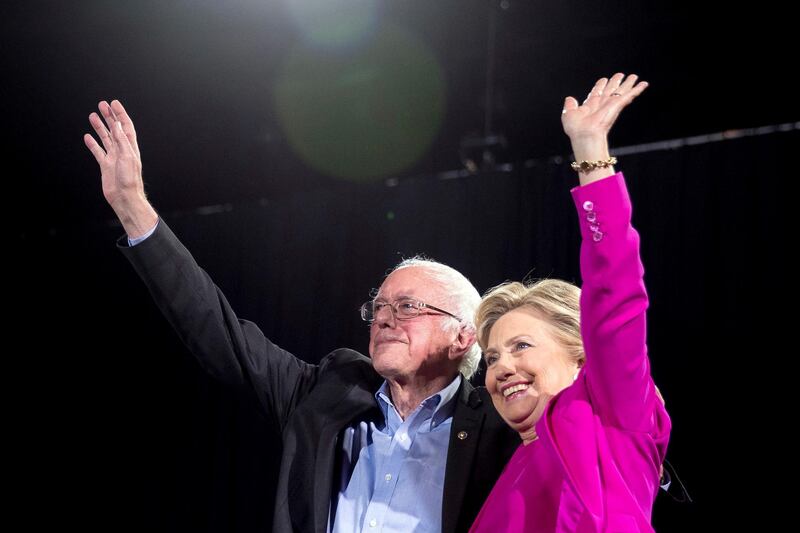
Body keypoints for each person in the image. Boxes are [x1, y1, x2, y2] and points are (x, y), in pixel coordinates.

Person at [83, 102, 519, 532]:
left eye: (408, 307)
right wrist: (132, 208)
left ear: (463, 337)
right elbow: (218, 332)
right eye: (379, 307)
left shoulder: (499, 430)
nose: (385, 319)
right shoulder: (329, 393)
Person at [469, 73, 670, 532]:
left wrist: (590, 150)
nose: (500, 368)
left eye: (521, 346)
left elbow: (616, 289)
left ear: (580, 352)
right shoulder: (503, 477)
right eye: (494, 356)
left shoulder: (613, 414)